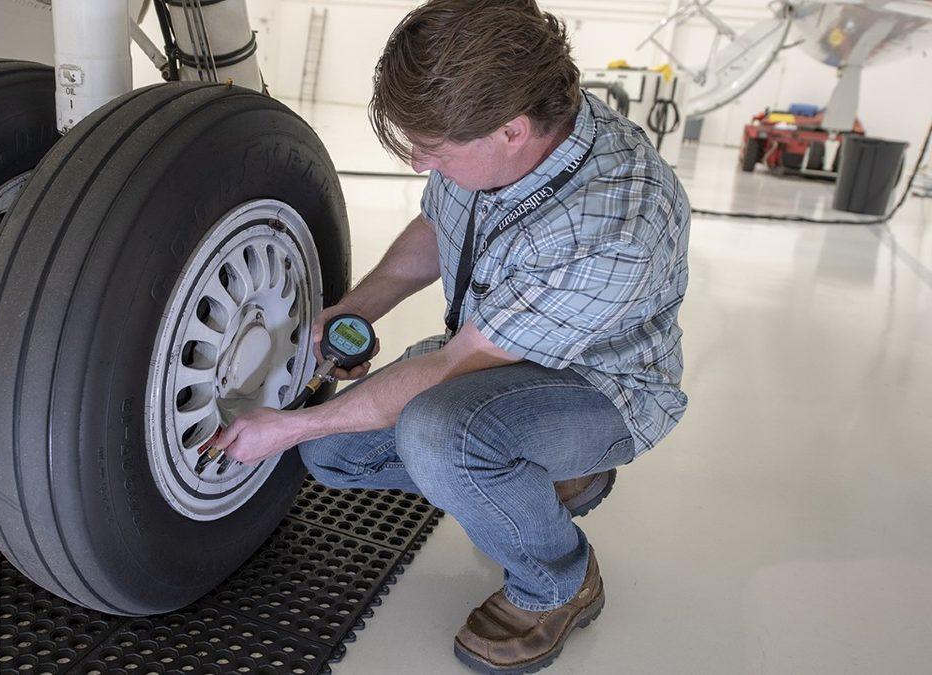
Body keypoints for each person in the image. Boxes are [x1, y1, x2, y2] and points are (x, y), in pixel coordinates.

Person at [215, 0, 690, 670]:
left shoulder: (612, 227)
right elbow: (439, 226)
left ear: (513, 132)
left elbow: (451, 369)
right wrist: (361, 306)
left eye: (432, 150)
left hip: (602, 385)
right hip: (500, 346)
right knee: (333, 456)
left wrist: (284, 428)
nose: (417, 163)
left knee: (439, 435)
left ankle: (559, 581)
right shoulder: (490, 135)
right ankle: (542, 477)